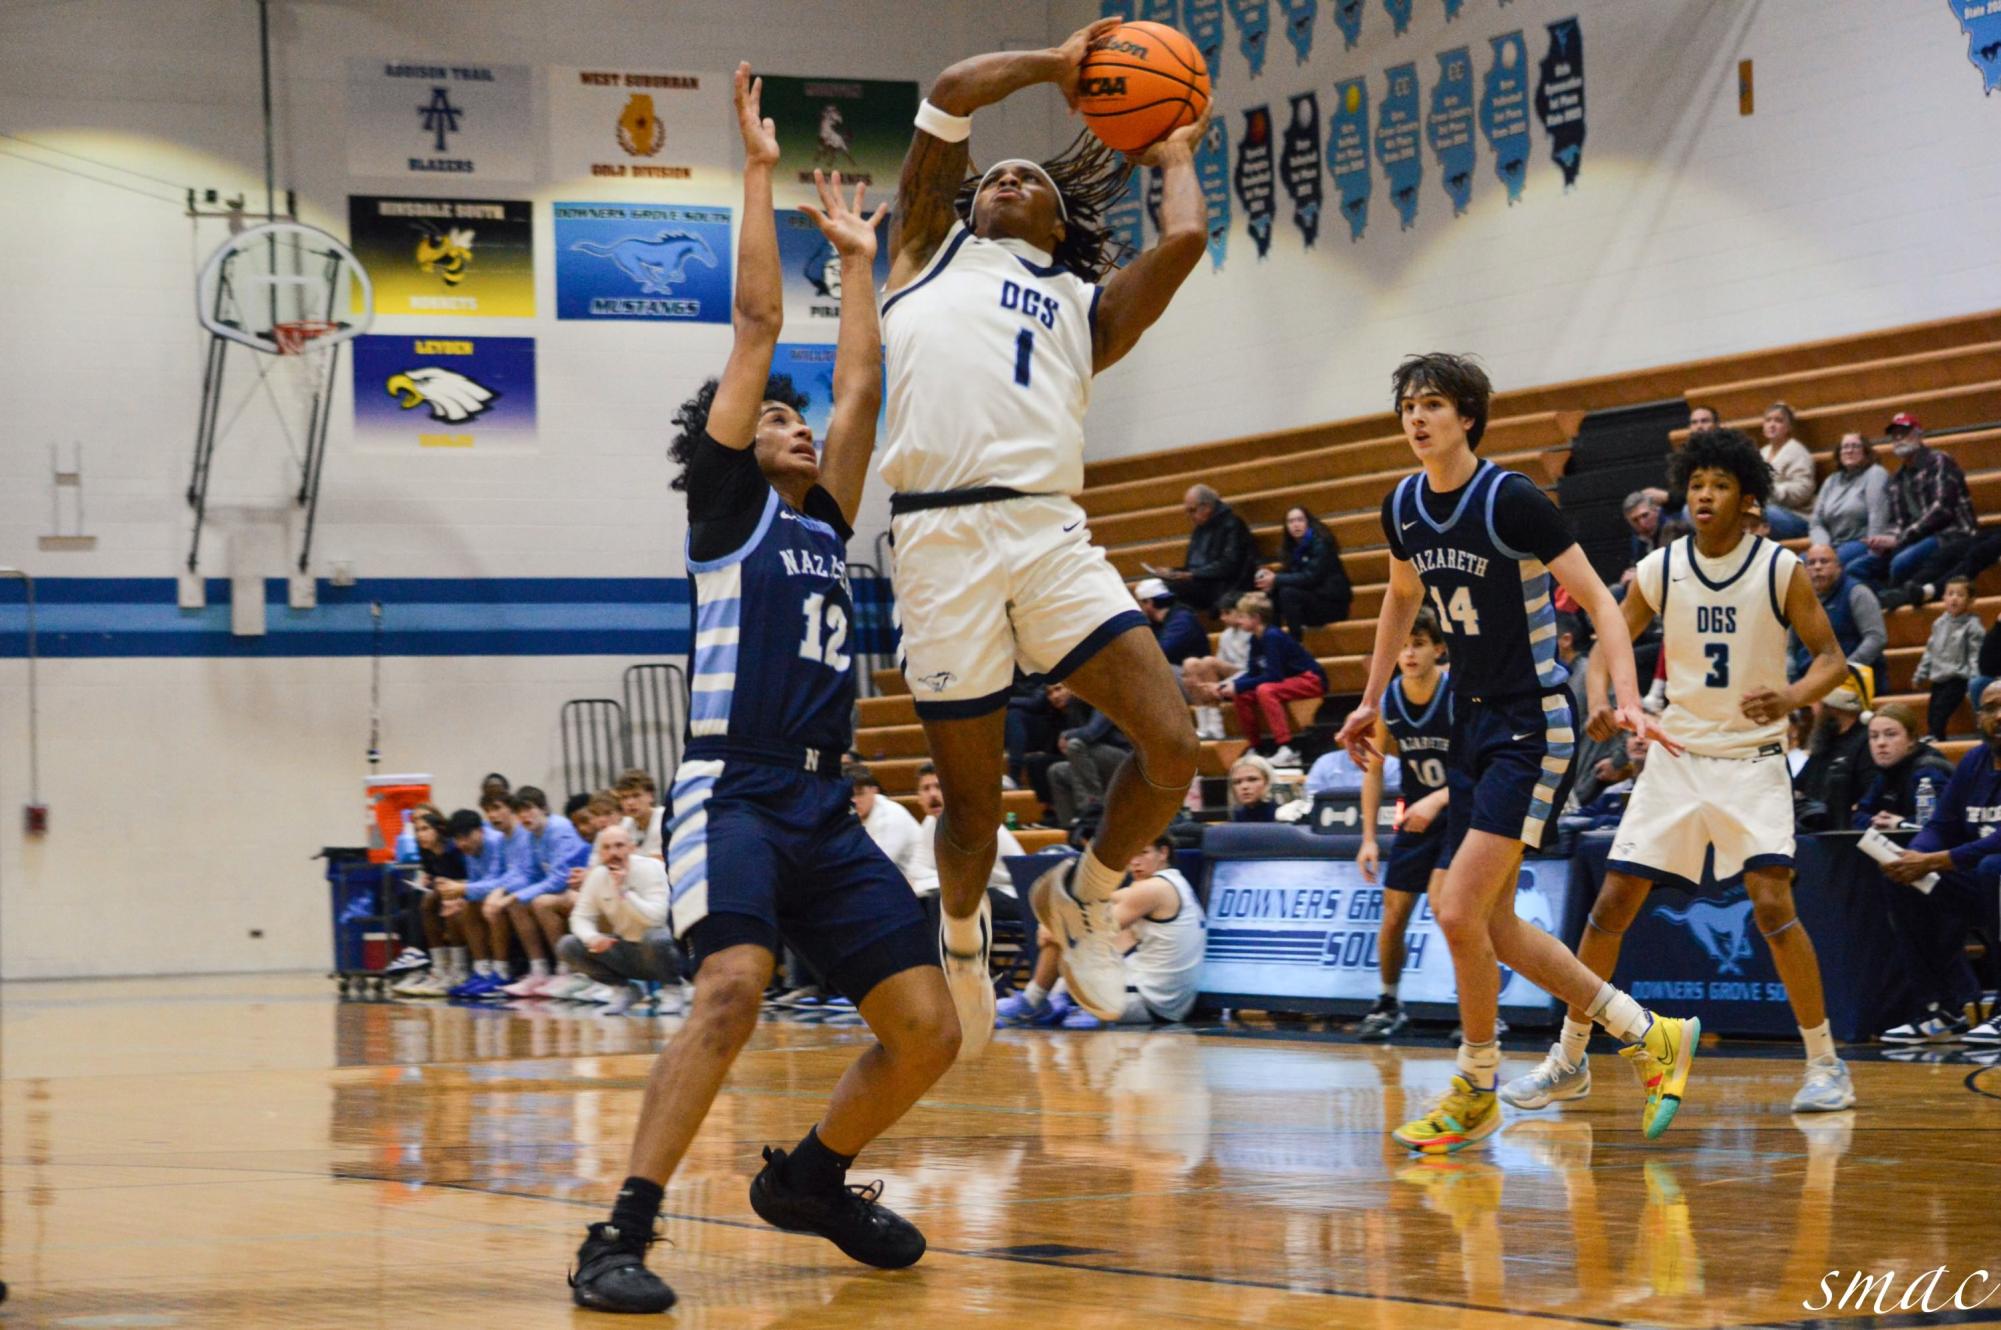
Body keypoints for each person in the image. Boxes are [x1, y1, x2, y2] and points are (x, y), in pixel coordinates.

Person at [568, 71, 957, 1316]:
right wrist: (752, 172)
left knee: (930, 1029)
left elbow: (858, 390)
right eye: (771, 417)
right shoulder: (730, 510)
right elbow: (751, 329)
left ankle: (812, 1180)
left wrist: (856, 259)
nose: (796, 424)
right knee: (732, 987)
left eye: (793, 420)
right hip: (729, 787)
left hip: (826, 807)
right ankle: (619, 1232)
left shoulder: (828, 523)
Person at [879, 17, 1209, 1039]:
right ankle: (967, 934)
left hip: (1047, 535)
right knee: (971, 813)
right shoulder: (927, 250)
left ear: (1063, 221)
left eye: (1031, 177)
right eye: (993, 175)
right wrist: (1058, 66)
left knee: (1173, 746)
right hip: (938, 546)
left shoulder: (1086, 303)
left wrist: (1178, 151)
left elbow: (1186, 240)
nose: (1006, 177)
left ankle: (1087, 889)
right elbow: (951, 83)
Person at [1335, 352, 1695, 1154]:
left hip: (1533, 723)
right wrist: (1366, 699)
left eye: (1430, 404)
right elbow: (1400, 599)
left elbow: (1602, 598)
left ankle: (1474, 1083)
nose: (1415, 418)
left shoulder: (1510, 499)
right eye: (1405, 407)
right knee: (1490, 925)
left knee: (1455, 907)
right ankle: (1647, 1032)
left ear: (1467, 416)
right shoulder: (1402, 505)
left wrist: (1627, 698)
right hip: (1472, 722)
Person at [1500, 428, 1856, 1118]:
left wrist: (1788, 697)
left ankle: (1824, 1064)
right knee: (1609, 908)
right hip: (1676, 759)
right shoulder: (1662, 567)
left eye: (1718, 486)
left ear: (1745, 499)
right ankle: (1569, 1058)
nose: (1703, 496)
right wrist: (1602, 699)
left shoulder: (1777, 569)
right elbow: (1607, 644)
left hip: (1750, 760)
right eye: (1696, 484)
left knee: (1773, 904)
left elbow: (1832, 661)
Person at [1876, 680, 2001, 1046]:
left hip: (1992, 878)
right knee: (1901, 877)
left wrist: (1938, 860)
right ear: (1978, 717)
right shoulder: (1975, 761)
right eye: (1990, 708)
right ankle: (1939, 1008)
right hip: (1980, 882)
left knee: (1993, 868)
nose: (1999, 715)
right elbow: (1942, 825)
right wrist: (1913, 856)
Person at [1353, 610, 1457, 1041]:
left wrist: (1437, 799)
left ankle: (1480, 1008)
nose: (1409, 653)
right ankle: (1388, 1001)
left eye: (1418, 643)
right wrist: (1367, 839)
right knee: (1393, 915)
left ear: (1439, 648)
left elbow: (1479, 765)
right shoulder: (1389, 701)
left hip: (1462, 813)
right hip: (1416, 817)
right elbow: (1373, 771)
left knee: (1446, 906)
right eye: (1401, 645)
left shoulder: (1457, 692)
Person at [1005, 836, 1205, 1027]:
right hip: (1173, 1002)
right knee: (1076, 930)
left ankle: (1034, 1001)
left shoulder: (1153, 888)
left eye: (1143, 853)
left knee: (1066, 932)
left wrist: (1052, 925)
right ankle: (1058, 1000)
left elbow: (1084, 931)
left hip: (1152, 1002)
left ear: (1163, 853)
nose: (1135, 862)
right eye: (1130, 855)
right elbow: (1110, 900)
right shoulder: (1174, 882)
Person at [556, 823, 681, 1016]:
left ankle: (673, 990)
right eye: (606, 848)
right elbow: (580, 917)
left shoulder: (652, 868)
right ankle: (624, 991)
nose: (613, 852)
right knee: (568, 945)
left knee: (655, 938)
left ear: (632, 848)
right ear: (599, 853)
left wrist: (624, 893)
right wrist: (592, 938)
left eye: (619, 845)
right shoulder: (597, 876)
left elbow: (657, 918)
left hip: (666, 950)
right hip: (628, 950)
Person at [1861, 414, 1978, 608]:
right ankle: (1883, 598)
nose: (1898, 438)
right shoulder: (1896, 479)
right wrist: (1887, 538)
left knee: (1902, 562)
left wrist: (1901, 538)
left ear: (1918, 434)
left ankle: (1895, 597)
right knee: (1858, 568)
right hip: (1916, 538)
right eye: (1895, 435)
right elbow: (1899, 522)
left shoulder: (1939, 461)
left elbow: (1942, 510)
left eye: (1904, 433)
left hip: (1951, 534)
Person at [1217, 590, 1326, 766]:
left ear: (1256, 618)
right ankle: (1256, 748)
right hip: (1288, 682)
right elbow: (1253, 672)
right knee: (1242, 695)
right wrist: (1231, 685)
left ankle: (1286, 747)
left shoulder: (1272, 636)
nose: (1238, 621)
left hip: (1310, 679)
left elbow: (1273, 676)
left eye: (1242, 617)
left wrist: (1238, 685)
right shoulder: (1255, 639)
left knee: (1265, 689)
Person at [500, 786, 586, 997]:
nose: (524, 816)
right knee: (516, 904)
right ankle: (539, 971)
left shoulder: (558, 829)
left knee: (540, 902)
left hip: (578, 889)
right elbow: (528, 874)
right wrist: (505, 892)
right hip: (562, 889)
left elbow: (559, 879)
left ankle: (565, 969)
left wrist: (519, 894)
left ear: (543, 808)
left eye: (529, 809)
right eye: (519, 812)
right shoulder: (531, 835)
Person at [1787, 544, 1885, 690]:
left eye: (1824, 561)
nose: (1817, 567)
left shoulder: (1858, 593)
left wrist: (1843, 671)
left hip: (1850, 682)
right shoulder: (1799, 600)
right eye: (1811, 563)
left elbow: (1876, 638)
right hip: (1807, 683)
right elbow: (1789, 648)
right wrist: (1792, 676)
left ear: (1839, 567)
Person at [1851, 704, 1955, 831]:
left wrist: (1901, 824)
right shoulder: (1888, 770)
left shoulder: (1929, 770)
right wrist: (1876, 821)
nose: (1881, 743)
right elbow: (1858, 815)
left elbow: (1940, 820)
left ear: (1911, 739)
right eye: (1874, 736)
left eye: (1890, 734)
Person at [1256, 505, 1353, 638]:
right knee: (1273, 592)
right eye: (1291, 521)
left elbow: (1311, 577)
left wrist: (1276, 579)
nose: (1296, 525)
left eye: (1300, 520)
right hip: (1310, 601)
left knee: (1287, 593)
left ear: (1308, 522)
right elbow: (1291, 575)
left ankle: (1296, 643)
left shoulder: (1321, 544)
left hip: (1331, 604)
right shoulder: (1291, 548)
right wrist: (1271, 581)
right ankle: (1274, 639)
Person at [1166, 484, 1260, 611]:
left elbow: (1229, 564)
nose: (1189, 516)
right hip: (1201, 583)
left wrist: (1192, 574)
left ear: (1207, 507)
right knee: (1158, 586)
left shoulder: (1232, 524)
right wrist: (1172, 571)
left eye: (1192, 510)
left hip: (1221, 586)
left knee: (1167, 591)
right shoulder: (1199, 529)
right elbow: (1193, 566)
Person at [1810, 432, 1892, 576]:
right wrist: (1823, 548)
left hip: (1862, 542)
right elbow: (1816, 522)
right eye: (1845, 447)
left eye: (1855, 446)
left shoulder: (1875, 474)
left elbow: (1877, 514)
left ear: (1865, 452)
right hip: (1832, 545)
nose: (1849, 450)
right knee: (1799, 565)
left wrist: (1874, 554)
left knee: (1827, 568)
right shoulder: (1831, 480)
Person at [1914, 576, 1985, 739]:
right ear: (1944, 598)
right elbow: (1930, 650)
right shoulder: (1939, 623)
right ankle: (1937, 738)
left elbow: (1975, 655)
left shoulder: (1973, 626)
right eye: (1950, 593)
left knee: (1941, 710)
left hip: (1958, 678)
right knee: (1932, 712)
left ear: (1970, 600)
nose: (1954, 598)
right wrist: (1920, 674)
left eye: (1960, 595)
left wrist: (1974, 681)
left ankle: (1935, 737)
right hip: (1939, 677)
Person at [1180, 591, 1254, 739]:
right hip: (1230, 674)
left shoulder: (1252, 633)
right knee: (1190, 663)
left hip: (1248, 673)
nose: (1223, 618)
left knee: (1208, 661)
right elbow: (1219, 665)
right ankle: (1204, 725)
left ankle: (1216, 726)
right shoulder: (1226, 635)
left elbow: (1253, 667)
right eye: (1222, 613)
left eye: (1227, 613)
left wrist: (1225, 683)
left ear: (1240, 612)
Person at [1795, 686, 1872, 827]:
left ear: (1833, 708)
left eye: (1818, 703)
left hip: (1841, 827)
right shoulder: (1824, 741)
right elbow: (1798, 785)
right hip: (1811, 819)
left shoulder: (1866, 741)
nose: (1813, 709)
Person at [1047, 703, 1130, 830]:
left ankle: (1092, 810)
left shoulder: (1107, 699)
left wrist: (1066, 735)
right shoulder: (1074, 707)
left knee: (1075, 745)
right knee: (1057, 771)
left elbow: (1091, 733)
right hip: (1096, 761)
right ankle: (1070, 830)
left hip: (1125, 761)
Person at [846, 763, 926, 882]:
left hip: (920, 888)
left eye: (860, 794)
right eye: (849, 795)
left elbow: (876, 867)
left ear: (874, 791)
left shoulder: (890, 816)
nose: (855, 801)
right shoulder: (853, 815)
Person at [1757, 402, 1815, 539]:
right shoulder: (1761, 453)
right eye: (1768, 420)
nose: (1772, 424)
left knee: (1764, 513)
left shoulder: (1798, 452)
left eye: (1778, 420)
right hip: (1767, 512)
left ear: (1788, 427)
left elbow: (1804, 489)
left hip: (1796, 516)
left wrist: (1772, 490)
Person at [1135, 576, 1208, 667]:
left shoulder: (1182, 620)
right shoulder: (1155, 622)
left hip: (1192, 672)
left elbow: (1161, 653)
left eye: (1140, 603)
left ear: (1149, 603)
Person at [614, 768, 665, 858]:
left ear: (651, 796)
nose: (630, 802)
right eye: (624, 797)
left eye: (636, 795)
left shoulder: (666, 818)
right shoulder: (623, 826)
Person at [1227, 754, 1280, 822]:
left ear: (1268, 781)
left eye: (1252, 779)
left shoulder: (1284, 815)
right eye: (1237, 782)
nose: (1244, 786)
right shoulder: (1237, 815)